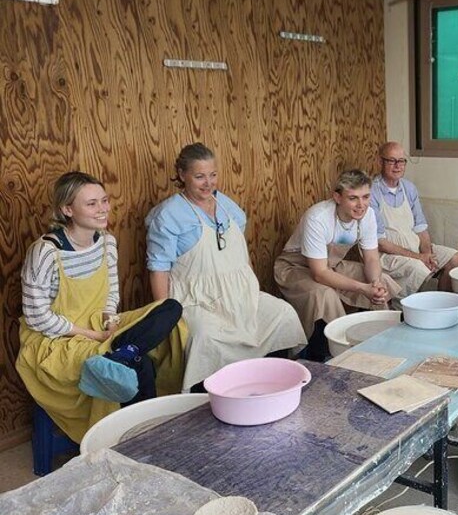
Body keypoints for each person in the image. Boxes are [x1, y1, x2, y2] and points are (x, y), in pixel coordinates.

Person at [16, 172, 186, 443]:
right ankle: (142, 440)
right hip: (58, 339)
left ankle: (123, 353)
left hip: (100, 324)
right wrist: (92, 335)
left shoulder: (107, 241)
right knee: (137, 365)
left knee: (171, 308)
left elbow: (111, 293)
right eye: (92, 203)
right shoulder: (46, 251)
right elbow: (37, 318)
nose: (103, 209)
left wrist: (109, 320)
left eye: (104, 200)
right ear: (67, 210)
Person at [145, 143, 306, 391]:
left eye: (213, 175)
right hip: (197, 300)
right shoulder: (168, 216)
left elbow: (238, 252)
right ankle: (212, 393)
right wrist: (166, 316)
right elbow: (158, 269)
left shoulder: (227, 206)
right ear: (181, 174)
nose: (208, 183)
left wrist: (251, 287)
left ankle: (273, 381)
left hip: (239, 294)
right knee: (206, 337)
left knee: (282, 314)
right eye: (199, 176)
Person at [274, 169, 401, 361]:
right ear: (337, 197)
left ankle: (379, 343)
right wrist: (362, 288)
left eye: (366, 197)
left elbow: (372, 259)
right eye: (353, 198)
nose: (361, 205)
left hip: (331, 264)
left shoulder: (368, 215)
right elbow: (319, 273)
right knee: (325, 295)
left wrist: (374, 283)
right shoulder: (318, 217)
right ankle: (338, 354)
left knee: (382, 283)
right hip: (295, 268)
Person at [370, 142, 458, 297]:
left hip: (415, 247)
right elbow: (380, 242)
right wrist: (419, 258)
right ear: (380, 162)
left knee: (455, 259)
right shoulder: (372, 191)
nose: (397, 166)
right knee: (421, 269)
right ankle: (407, 310)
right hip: (388, 255)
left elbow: (420, 228)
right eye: (391, 161)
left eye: (401, 161)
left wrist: (427, 254)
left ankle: (442, 303)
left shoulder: (409, 188)